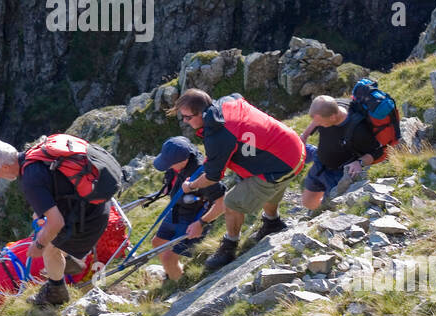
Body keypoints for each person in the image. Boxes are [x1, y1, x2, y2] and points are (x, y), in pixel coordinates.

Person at [172, 89, 305, 271]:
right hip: (292, 149)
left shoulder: (218, 134)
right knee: (262, 184)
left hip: (281, 163)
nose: (185, 122)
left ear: (202, 113)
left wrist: (191, 186)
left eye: (188, 117)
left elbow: (212, 177)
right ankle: (272, 222)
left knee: (232, 202)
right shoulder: (228, 101)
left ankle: (229, 247)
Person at [0, 137, 116, 306]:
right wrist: (42, 213)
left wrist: (39, 246)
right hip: (97, 204)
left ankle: (56, 293)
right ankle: (68, 262)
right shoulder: (35, 154)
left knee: (49, 250)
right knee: (49, 237)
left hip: (90, 219)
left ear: (5, 167)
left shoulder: (30, 181)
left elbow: (56, 223)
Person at [148, 137, 225, 280]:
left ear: (183, 160)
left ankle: (176, 284)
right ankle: (174, 271)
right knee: (157, 243)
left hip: (195, 217)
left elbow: (222, 204)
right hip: (178, 210)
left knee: (168, 258)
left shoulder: (204, 175)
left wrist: (201, 223)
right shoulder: (178, 161)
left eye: (170, 164)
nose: (169, 167)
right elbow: (171, 176)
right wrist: (168, 187)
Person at [298, 95, 385, 210]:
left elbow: (378, 151)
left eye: (321, 123)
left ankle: (320, 210)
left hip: (339, 173)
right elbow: (316, 120)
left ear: (333, 117)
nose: (318, 124)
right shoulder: (331, 109)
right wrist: (304, 136)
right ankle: (310, 152)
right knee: (308, 202)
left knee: (329, 207)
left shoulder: (358, 129)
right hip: (321, 162)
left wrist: (359, 162)